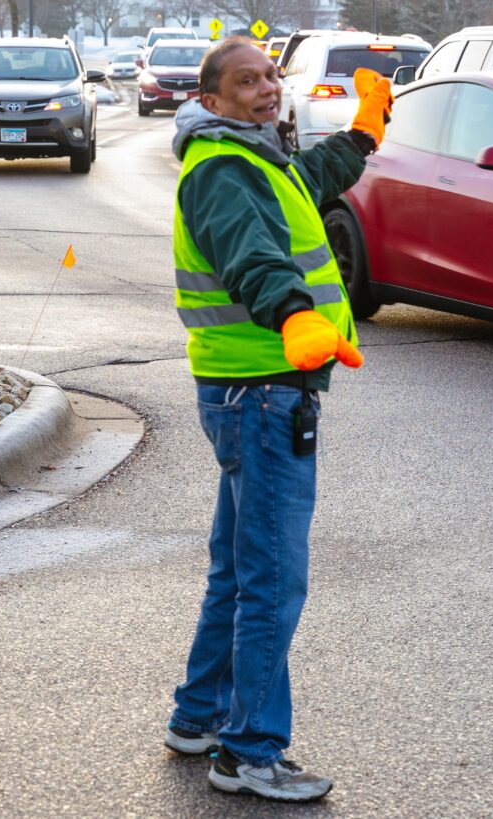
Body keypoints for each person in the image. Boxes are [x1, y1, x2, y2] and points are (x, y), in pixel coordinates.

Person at [164, 38, 392, 802]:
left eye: (269, 76)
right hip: (262, 390)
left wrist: (362, 132)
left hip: (250, 391)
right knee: (271, 579)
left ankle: (198, 717)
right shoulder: (224, 168)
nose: (265, 89)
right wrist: (294, 313)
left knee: (237, 566)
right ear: (211, 99)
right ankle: (250, 751)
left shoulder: (260, 156)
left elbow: (313, 179)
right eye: (245, 81)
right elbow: (251, 255)